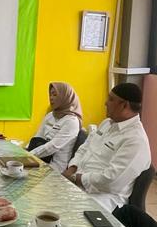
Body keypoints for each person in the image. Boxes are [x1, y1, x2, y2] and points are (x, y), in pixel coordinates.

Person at [63, 83, 151, 213]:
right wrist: (72, 169)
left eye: (111, 99)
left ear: (124, 105)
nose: (105, 103)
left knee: (62, 215)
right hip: (77, 184)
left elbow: (111, 181)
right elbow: (84, 148)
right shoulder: (107, 123)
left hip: (102, 199)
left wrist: (77, 178)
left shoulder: (136, 140)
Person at [27, 82, 83, 172]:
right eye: (50, 94)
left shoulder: (72, 121)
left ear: (65, 97)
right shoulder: (50, 115)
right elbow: (38, 136)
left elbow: (52, 146)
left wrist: (27, 156)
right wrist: (26, 150)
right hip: (40, 158)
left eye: (55, 95)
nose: (51, 98)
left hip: (55, 166)